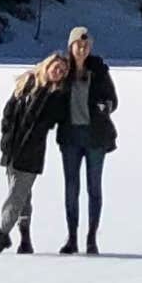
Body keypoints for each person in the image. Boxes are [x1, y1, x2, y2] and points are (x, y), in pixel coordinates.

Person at [0, 52, 64, 254]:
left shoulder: (55, 96)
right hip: (12, 150)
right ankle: (25, 240)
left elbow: (46, 121)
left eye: (62, 71)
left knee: (15, 196)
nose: (58, 72)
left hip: (31, 154)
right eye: (56, 68)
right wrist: (5, 139)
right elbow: (8, 113)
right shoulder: (27, 85)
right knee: (24, 196)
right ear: (47, 66)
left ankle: (2, 235)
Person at [54, 22, 118, 255]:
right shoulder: (62, 70)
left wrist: (105, 106)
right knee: (71, 188)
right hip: (70, 137)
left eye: (86, 45)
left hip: (95, 138)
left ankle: (91, 238)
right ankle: (72, 238)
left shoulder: (99, 70)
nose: (82, 49)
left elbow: (113, 100)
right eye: (78, 45)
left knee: (94, 188)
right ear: (70, 46)